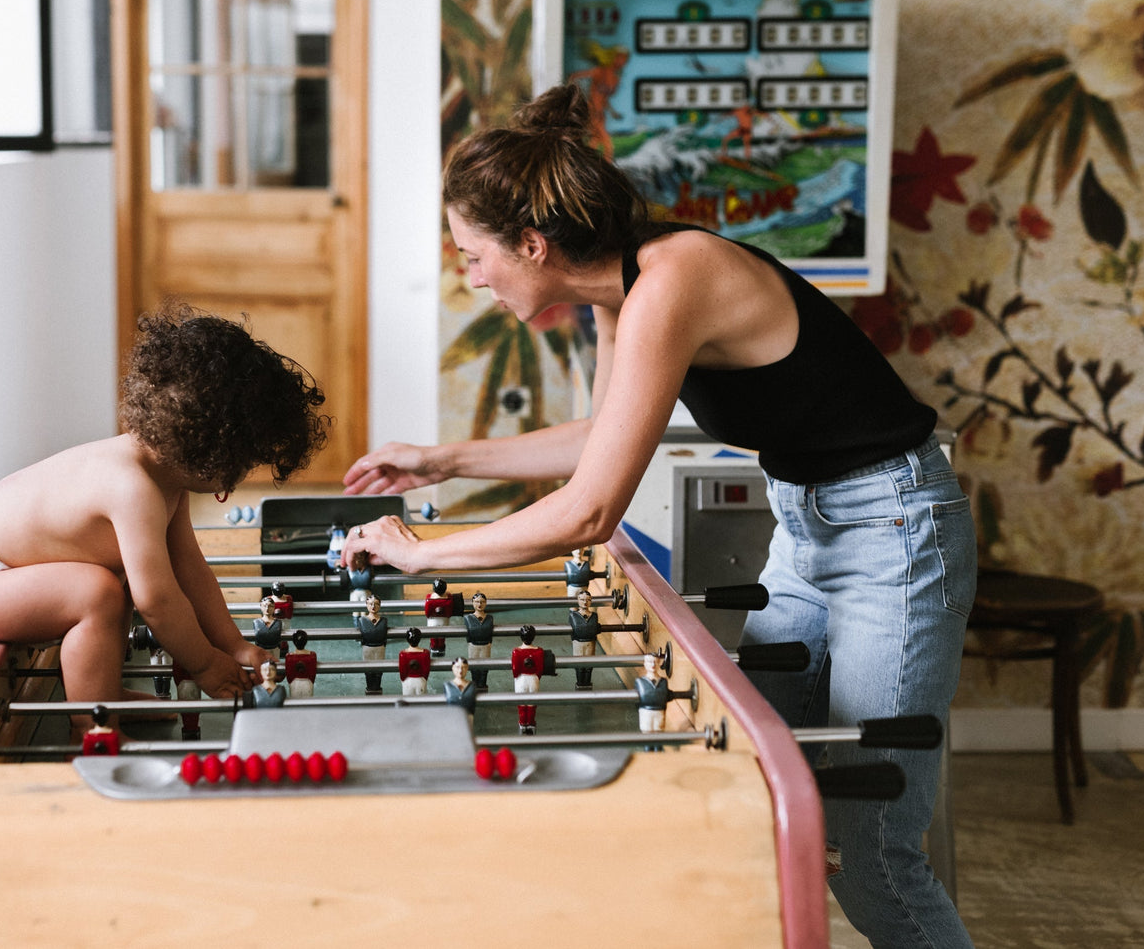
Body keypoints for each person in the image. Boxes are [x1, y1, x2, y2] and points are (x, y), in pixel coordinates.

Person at [340, 84, 976, 948]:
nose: (473, 276)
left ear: (532, 245)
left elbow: (590, 510)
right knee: (755, 795)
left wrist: (422, 555)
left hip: (894, 528)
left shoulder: (675, 277)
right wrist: (442, 458)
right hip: (808, 529)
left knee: (872, 855)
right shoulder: (621, 292)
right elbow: (600, 438)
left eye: (474, 255)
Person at [0, 306, 329, 740]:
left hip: (8, 571)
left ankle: (103, 693)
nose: (241, 475)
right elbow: (158, 602)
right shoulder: (133, 488)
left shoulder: (165, 480)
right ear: (214, 449)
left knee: (118, 581)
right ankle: (92, 726)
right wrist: (206, 664)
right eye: (244, 462)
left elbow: (190, 571)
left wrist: (233, 645)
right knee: (97, 593)